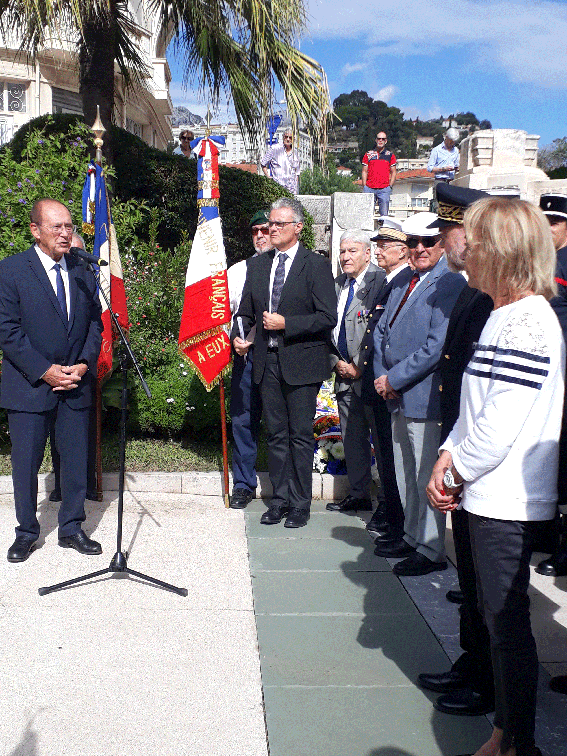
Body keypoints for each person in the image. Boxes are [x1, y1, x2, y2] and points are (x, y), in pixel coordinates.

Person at [427, 197, 564, 756]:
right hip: (484, 490)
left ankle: (516, 741)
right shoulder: (504, 314)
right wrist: (447, 454)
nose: (466, 253)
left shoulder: (529, 320)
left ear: (504, 252)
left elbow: (501, 419)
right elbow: (475, 407)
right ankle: (505, 732)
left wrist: (454, 469)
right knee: (492, 618)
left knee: (506, 628)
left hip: (505, 496)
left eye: (477, 241)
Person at [416, 183, 496, 718]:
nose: (444, 242)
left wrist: (459, 461)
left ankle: (487, 681)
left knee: (485, 583)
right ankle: (472, 665)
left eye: (448, 231)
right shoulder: (472, 289)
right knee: (468, 574)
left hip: (478, 460)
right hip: (460, 444)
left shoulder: (491, 296)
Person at [0, 199, 103, 562]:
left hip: (75, 382)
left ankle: (72, 528)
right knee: (26, 465)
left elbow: (95, 323)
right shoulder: (11, 271)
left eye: (69, 226)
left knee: (75, 462)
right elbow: (7, 331)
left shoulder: (81, 269)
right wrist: (45, 370)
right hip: (30, 387)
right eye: (57, 227)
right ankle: (27, 532)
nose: (65, 233)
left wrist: (84, 365)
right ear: (35, 230)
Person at [233, 197, 336, 528]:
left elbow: (326, 317)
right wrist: (240, 335)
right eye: (269, 224)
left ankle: (300, 503)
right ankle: (278, 500)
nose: (271, 228)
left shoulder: (315, 265)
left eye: (278, 223)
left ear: (298, 228)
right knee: (276, 434)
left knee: (300, 435)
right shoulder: (259, 265)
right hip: (267, 361)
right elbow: (246, 310)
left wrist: (286, 324)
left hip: (302, 362)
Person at [373, 211, 466, 576]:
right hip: (396, 394)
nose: (420, 249)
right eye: (413, 242)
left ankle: (430, 548)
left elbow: (435, 345)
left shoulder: (449, 283)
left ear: (442, 244)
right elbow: (382, 331)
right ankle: (411, 536)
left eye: (429, 241)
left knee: (425, 472)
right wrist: (384, 378)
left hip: (423, 395)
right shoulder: (405, 281)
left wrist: (393, 378)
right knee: (403, 471)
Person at [358, 218, 411, 543]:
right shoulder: (390, 280)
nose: (379, 252)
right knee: (386, 457)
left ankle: (396, 520)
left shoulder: (403, 280)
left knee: (392, 461)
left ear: (402, 251)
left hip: (386, 386)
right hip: (375, 383)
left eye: (384, 246)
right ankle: (391, 514)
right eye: (377, 245)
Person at [326, 230, 385, 514]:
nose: (345, 257)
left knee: (381, 440)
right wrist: (334, 361)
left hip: (371, 377)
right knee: (352, 438)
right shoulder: (338, 284)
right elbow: (326, 326)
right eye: (342, 252)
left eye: (352, 251)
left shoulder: (380, 281)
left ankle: (387, 504)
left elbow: (379, 331)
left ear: (367, 253)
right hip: (342, 374)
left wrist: (359, 366)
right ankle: (359, 494)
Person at [227, 210, 272, 509]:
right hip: (244, 356)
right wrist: (232, 340)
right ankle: (244, 483)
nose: (260, 236)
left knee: (280, 424)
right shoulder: (237, 271)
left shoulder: (288, 269)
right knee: (243, 420)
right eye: (255, 230)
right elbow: (223, 314)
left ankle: (284, 488)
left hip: (275, 356)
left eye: (265, 230)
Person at [49, 231, 98, 504]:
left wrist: (83, 363)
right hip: (48, 374)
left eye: (77, 251)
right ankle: (58, 484)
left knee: (80, 440)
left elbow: (94, 322)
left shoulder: (85, 276)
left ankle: (83, 490)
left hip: (81, 371)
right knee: (55, 438)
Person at [361, 132, 397, 216]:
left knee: (384, 215)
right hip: (369, 188)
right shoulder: (368, 154)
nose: (380, 141)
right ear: (376, 140)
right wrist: (364, 185)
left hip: (384, 189)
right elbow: (364, 171)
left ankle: (383, 228)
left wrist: (390, 185)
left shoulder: (390, 155)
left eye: (383, 139)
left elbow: (393, 172)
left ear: (386, 141)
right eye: (379, 139)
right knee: (366, 214)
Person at [261, 129, 301, 194]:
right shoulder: (274, 148)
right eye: (286, 137)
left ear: (293, 139)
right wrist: (268, 177)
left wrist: (296, 190)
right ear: (283, 137)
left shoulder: (296, 152)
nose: (288, 139)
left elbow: (297, 173)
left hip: (292, 191)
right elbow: (263, 163)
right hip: (278, 189)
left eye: (290, 137)